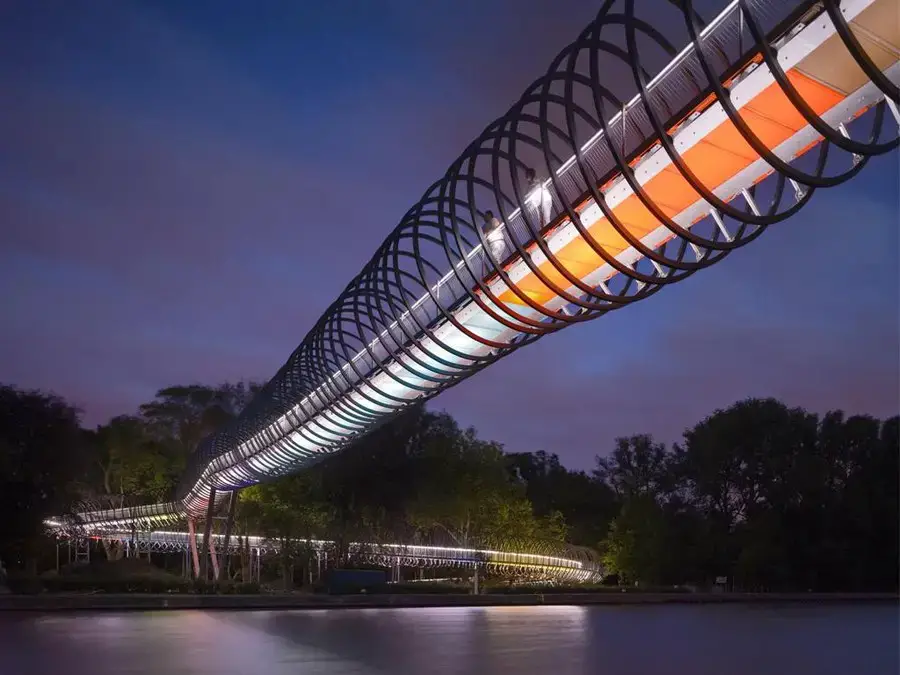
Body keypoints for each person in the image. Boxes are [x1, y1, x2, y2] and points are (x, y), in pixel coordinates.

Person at [481, 209, 505, 276]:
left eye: (486, 216)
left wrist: (487, 234)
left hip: (497, 241)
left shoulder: (493, 220)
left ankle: (500, 272)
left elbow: (495, 227)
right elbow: (483, 235)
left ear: (489, 215)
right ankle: (501, 270)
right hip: (492, 244)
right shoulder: (484, 226)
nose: (484, 217)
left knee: (495, 257)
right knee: (496, 258)